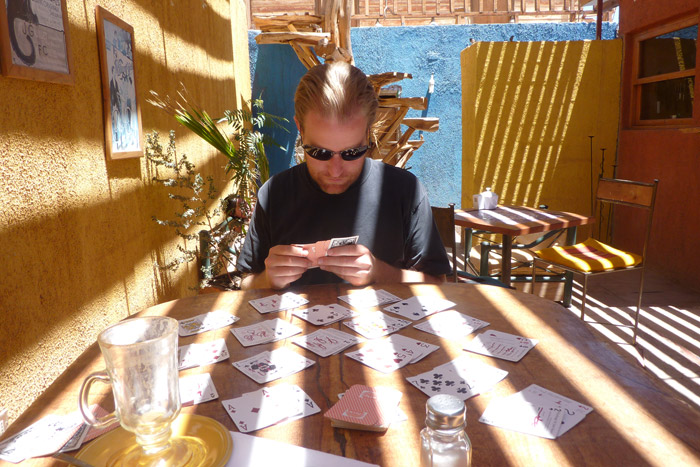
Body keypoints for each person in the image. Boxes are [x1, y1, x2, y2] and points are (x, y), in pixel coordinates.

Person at [236, 61, 451, 290]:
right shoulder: (274, 194)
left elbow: (437, 284)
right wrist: (268, 278)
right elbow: (245, 284)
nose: (335, 170)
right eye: (319, 152)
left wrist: (379, 271)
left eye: (352, 152)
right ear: (300, 129)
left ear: (368, 132)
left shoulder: (404, 191)